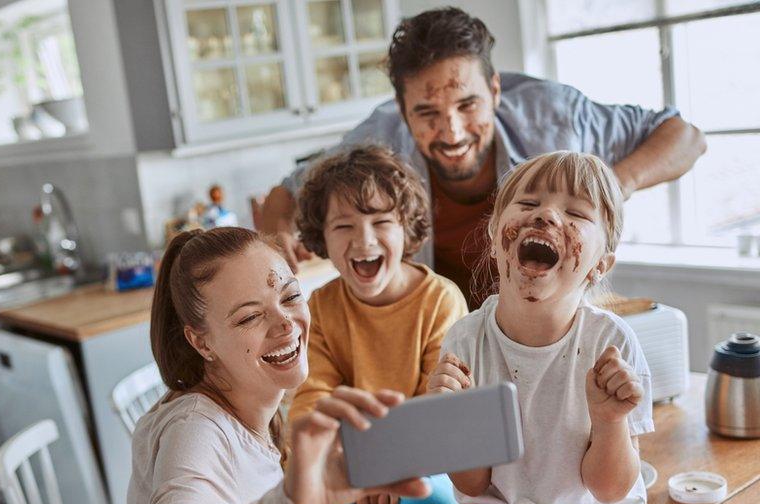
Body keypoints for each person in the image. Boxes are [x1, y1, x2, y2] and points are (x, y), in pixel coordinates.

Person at [260, 7, 706, 310]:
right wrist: (277, 239)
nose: (452, 132)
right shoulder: (379, 137)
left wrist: (610, 184)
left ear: (494, 90)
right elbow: (287, 191)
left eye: (468, 105)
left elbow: (684, 136)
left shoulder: (553, 115)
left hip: (554, 324)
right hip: (443, 334)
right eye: (428, 113)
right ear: (401, 110)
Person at [127, 227, 430, 504]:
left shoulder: (257, 399)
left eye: (290, 296)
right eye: (250, 317)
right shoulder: (194, 433)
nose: (285, 323)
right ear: (202, 342)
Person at [428, 151, 653, 504]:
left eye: (577, 214)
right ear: (495, 238)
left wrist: (609, 421)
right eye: (528, 204)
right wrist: (453, 423)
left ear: (600, 265)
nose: (546, 216)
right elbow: (472, 482)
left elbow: (610, 490)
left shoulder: (610, 345)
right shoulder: (465, 340)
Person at [287, 145, 467, 504]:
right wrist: (353, 468)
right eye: (343, 226)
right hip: (344, 462)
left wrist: (386, 466)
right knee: (274, 474)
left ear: (407, 228)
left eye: (381, 221)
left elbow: (436, 411)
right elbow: (310, 401)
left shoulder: (440, 300)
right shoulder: (320, 306)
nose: (363, 240)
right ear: (322, 238)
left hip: (415, 466)